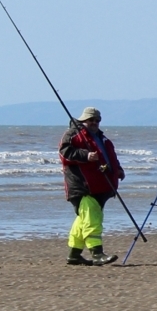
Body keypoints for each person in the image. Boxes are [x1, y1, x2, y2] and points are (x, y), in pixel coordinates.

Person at [59, 107, 125, 265]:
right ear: (83, 120)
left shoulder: (102, 139)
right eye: (91, 120)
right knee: (92, 218)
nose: (94, 123)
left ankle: (74, 255)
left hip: (101, 185)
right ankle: (97, 254)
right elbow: (64, 152)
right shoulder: (73, 135)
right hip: (83, 185)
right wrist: (86, 155)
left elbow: (110, 158)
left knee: (83, 220)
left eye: (97, 120)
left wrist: (118, 170)